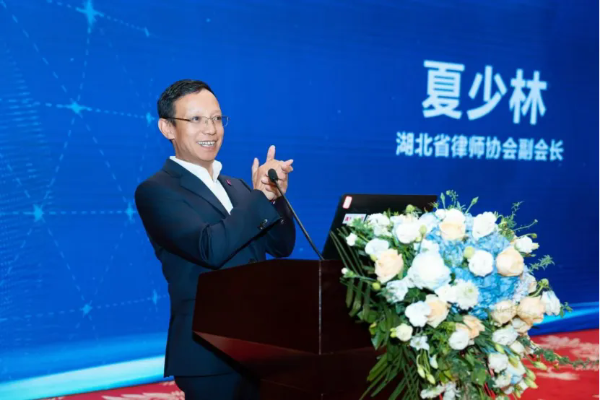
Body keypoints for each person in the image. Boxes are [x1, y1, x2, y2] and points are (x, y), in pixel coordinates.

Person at [135, 79, 296, 399]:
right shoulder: (157, 191)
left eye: (217, 118)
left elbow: (281, 246)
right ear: (167, 128)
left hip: (260, 348)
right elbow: (209, 247)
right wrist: (258, 198)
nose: (210, 129)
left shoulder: (238, 188)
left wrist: (274, 198)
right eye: (196, 119)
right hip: (207, 354)